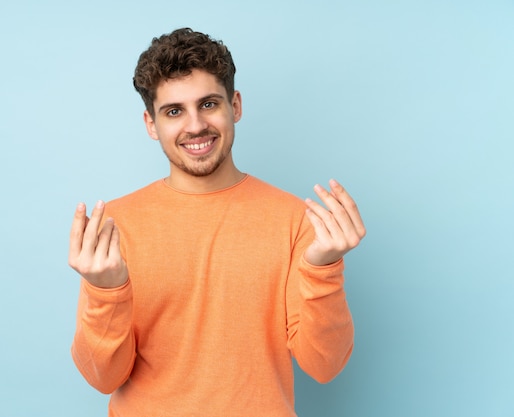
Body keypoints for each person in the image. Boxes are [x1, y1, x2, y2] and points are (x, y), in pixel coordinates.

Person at [68, 28, 366, 417]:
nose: (194, 126)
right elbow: (103, 378)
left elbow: (325, 366)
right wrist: (105, 292)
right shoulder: (115, 226)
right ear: (151, 124)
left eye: (208, 104)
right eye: (174, 111)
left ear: (235, 106)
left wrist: (324, 269)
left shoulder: (296, 220)